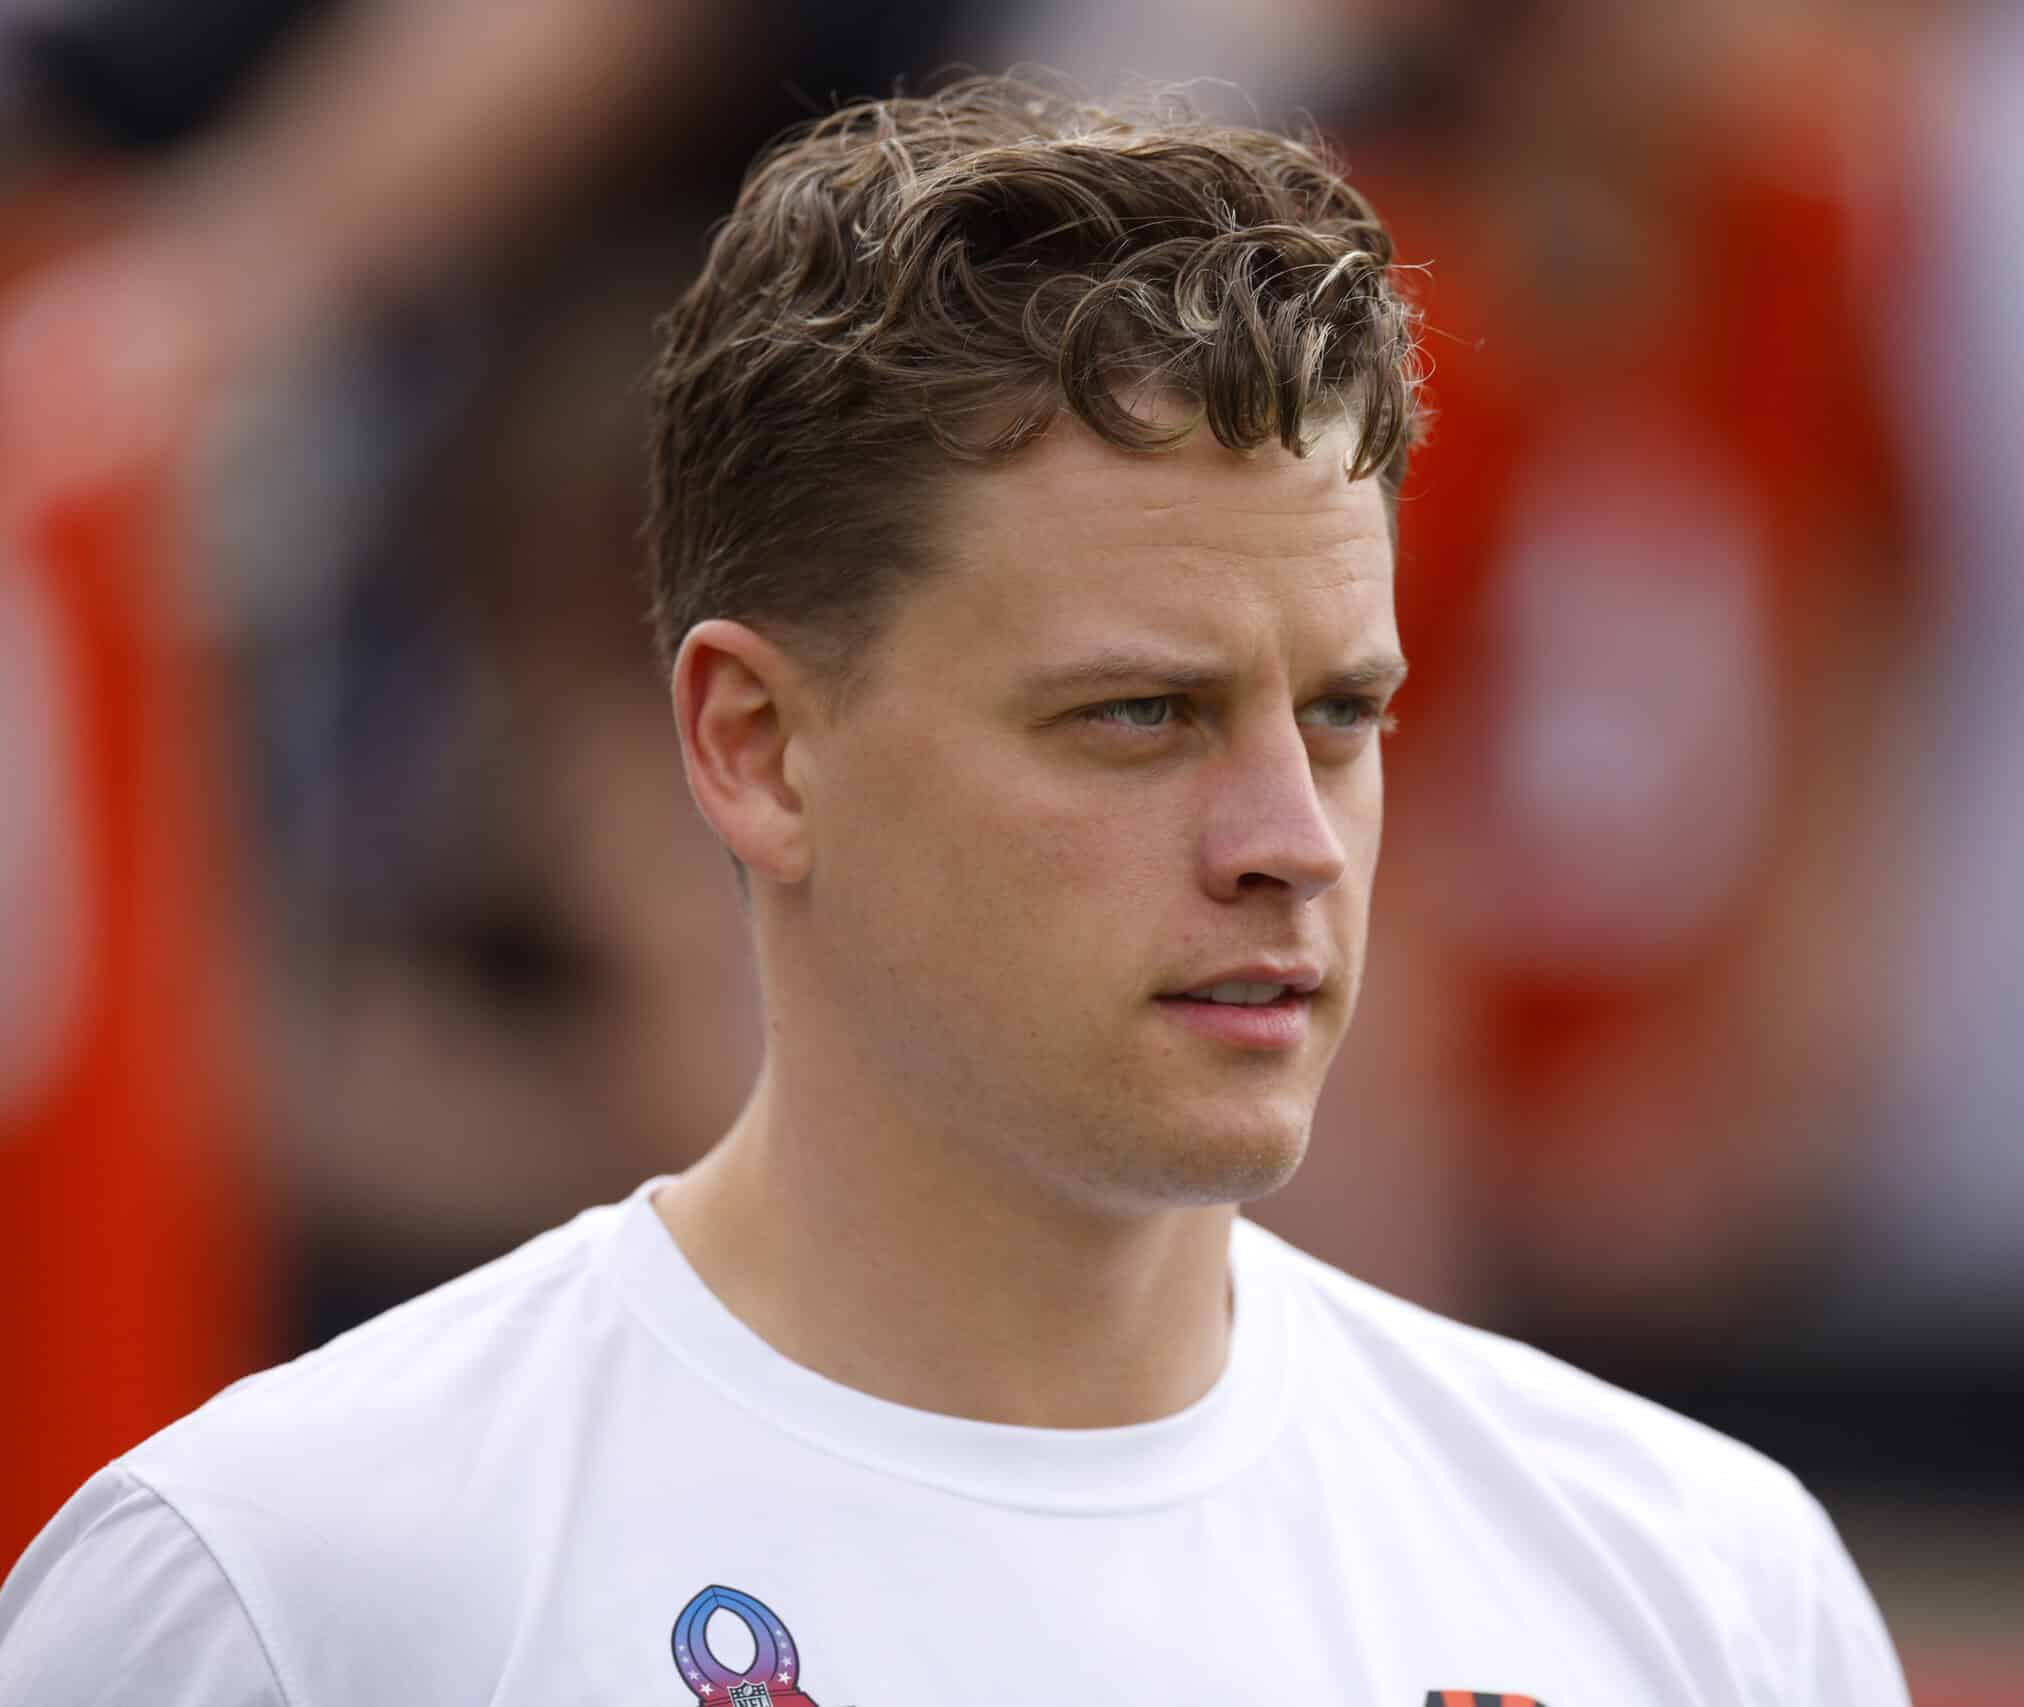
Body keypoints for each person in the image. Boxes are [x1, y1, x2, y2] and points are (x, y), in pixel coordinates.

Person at [0, 79, 1908, 1704]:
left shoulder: (1695, 1594)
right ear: (753, 746)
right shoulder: (292, 1589)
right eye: (1139, 715)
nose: (1291, 837)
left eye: (1342, 716)